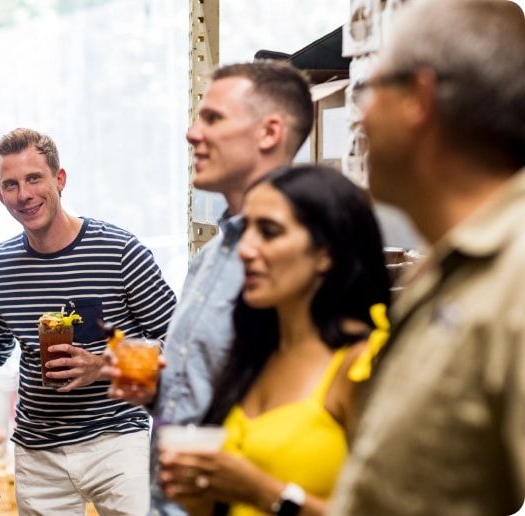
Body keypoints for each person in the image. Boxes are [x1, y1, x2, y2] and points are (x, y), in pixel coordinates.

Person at [328, 1, 525, 514]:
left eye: (367, 90)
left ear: (418, 98)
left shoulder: (515, 271)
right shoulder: (452, 266)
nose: (360, 115)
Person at [106, 61, 313, 516]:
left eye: (213, 118)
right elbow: (216, 386)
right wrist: (156, 391)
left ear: (269, 133)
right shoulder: (210, 258)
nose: (191, 134)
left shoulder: (298, 263)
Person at [159, 165, 391, 516]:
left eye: (268, 232)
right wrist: (198, 491)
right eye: (247, 230)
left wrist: (261, 490)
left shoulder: (362, 363)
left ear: (326, 252)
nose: (246, 250)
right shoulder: (256, 353)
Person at [0, 128, 177, 515]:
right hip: (38, 453)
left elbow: (181, 345)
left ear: (60, 179)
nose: (24, 194)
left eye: (34, 178)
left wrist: (104, 366)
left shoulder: (120, 251)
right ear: (0, 195)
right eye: (11, 184)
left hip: (118, 441)